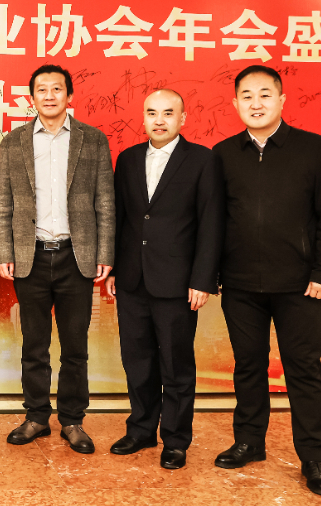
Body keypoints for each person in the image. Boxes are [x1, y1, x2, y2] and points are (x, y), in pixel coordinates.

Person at [212, 65, 321, 497]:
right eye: (247, 96)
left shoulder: (313, 148)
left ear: (282, 100)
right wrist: (212, 275)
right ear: (235, 103)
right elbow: (213, 221)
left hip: (299, 285)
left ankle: (314, 457)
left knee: (303, 371)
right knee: (248, 366)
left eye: (265, 95)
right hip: (239, 285)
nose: (256, 103)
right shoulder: (223, 153)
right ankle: (249, 441)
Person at [0, 64, 115, 453]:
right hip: (29, 255)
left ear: (69, 95)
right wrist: (5, 251)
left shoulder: (92, 140)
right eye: (42, 90)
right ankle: (36, 417)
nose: (49, 96)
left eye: (57, 89)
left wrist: (104, 252)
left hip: (75, 256)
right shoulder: (13, 142)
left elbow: (105, 200)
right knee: (34, 344)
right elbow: (3, 203)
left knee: (75, 345)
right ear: (31, 98)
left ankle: (73, 421)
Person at [104, 89, 224, 469]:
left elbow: (211, 223)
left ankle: (175, 439)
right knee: (137, 361)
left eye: (168, 113)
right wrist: (114, 268)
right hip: (132, 280)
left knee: (175, 365)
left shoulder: (202, 160)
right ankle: (141, 430)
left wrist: (203, 280)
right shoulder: (127, 159)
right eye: (152, 113)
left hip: (178, 283)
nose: (159, 120)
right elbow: (121, 218)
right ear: (143, 117)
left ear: (182, 119)